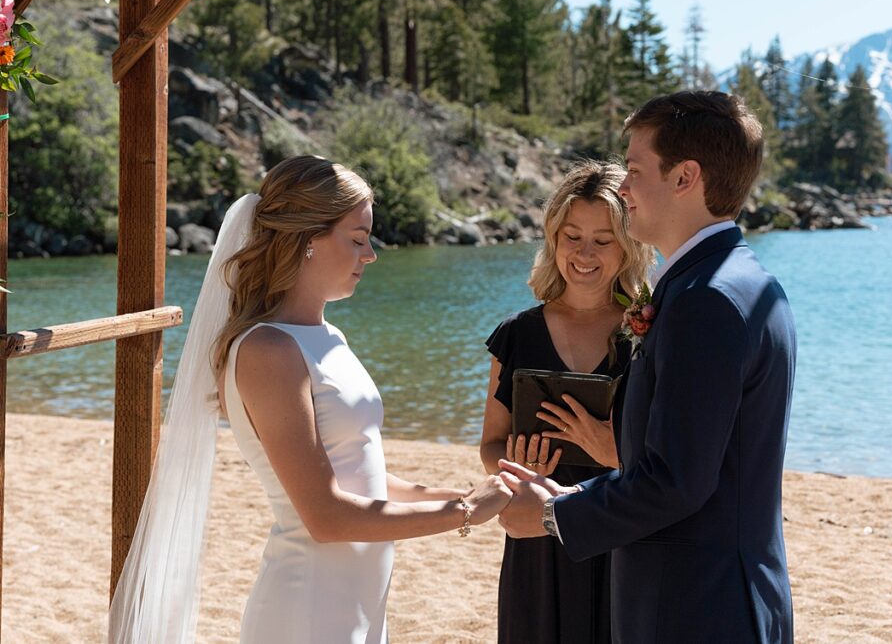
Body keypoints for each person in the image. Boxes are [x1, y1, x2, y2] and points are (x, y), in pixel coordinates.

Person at [109, 156, 512, 644]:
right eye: (358, 239)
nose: (371, 255)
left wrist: (466, 493)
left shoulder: (327, 335)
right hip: (309, 607)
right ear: (307, 242)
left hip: (356, 598)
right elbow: (324, 515)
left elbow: (355, 468)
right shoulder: (268, 350)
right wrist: (465, 515)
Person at [498, 91, 798, 643]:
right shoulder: (740, 281)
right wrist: (567, 497)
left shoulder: (705, 299)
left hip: (695, 610)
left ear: (685, 177)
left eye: (634, 171)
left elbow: (675, 482)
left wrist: (552, 517)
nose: (624, 187)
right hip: (723, 597)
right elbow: (694, 467)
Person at [479, 160, 654, 644]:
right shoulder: (515, 334)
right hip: (536, 538)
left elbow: (669, 462)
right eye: (572, 235)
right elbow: (490, 444)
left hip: (619, 533)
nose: (584, 253)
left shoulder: (647, 333)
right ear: (553, 237)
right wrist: (514, 465)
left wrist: (609, 449)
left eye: (603, 239)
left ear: (629, 244)